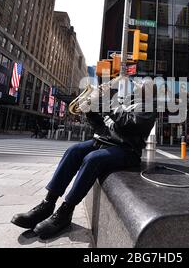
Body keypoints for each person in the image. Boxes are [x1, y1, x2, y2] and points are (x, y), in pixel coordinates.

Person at [11, 79, 157, 240]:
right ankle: (47, 204)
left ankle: (65, 212)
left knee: (93, 159)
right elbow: (101, 128)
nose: (136, 84)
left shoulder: (148, 107)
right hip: (105, 141)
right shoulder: (124, 102)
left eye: (141, 83)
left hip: (127, 150)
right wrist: (90, 111)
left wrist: (108, 103)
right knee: (73, 150)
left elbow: (129, 124)